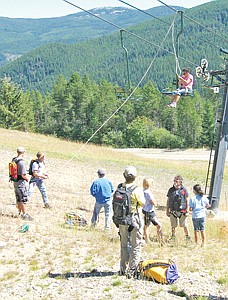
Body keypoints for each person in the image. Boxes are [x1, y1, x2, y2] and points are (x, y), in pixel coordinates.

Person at [118, 166, 145, 278]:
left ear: (124, 175)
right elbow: (142, 202)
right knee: (136, 245)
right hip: (134, 219)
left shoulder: (120, 187)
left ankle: (123, 268)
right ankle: (132, 270)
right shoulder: (137, 189)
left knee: (124, 244)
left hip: (122, 219)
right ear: (135, 177)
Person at [166, 175, 191, 240]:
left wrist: (187, 211)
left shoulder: (184, 190)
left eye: (176, 181)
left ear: (180, 182)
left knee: (184, 225)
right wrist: (167, 210)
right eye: (174, 181)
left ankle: (188, 237)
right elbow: (168, 200)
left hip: (182, 211)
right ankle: (173, 236)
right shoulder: (171, 190)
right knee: (173, 225)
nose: (175, 182)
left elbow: (187, 200)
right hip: (173, 210)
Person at [13, 147, 33, 220]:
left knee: (18, 198)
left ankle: (20, 213)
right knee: (23, 199)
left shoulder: (14, 159)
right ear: (23, 153)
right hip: (21, 183)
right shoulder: (21, 162)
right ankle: (24, 214)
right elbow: (23, 175)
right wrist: (27, 179)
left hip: (15, 182)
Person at [142, 178, 163, 243]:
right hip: (150, 211)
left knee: (146, 226)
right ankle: (160, 239)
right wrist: (156, 203)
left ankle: (146, 239)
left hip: (145, 210)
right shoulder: (148, 193)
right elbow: (152, 202)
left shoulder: (142, 191)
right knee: (159, 225)